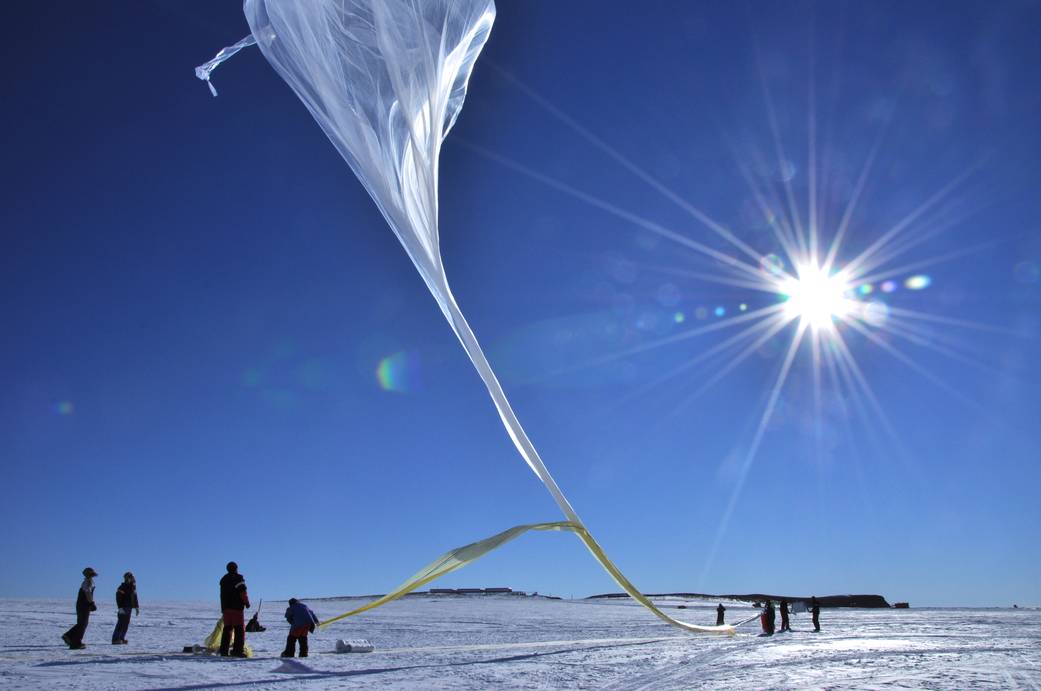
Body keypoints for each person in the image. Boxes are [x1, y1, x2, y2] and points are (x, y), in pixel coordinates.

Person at [218, 562, 251, 657]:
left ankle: (224, 651)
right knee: (239, 630)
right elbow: (242, 592)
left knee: (227, 629)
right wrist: (246, 602)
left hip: (226, 608)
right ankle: (237, 651)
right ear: (236, 568)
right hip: (236, 609)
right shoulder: (238, 579)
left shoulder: (223, 580)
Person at [62, 567, 98, 649]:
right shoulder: (88, 582)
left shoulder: (87, 581)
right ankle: (75, 642)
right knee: (83, 624)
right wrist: (91, 603)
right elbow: (88, 592)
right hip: (84, 605)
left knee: (81, 623)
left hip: (82, 604)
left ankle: (69, 636)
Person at [112, 572, 140, 644]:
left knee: (126, 624)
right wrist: (120, 607)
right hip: (123, 607)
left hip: (129, 607)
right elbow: (118, 597)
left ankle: (121, 638)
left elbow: (135, 597)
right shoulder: (122, 587)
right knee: (120, 623)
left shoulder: (132, 587)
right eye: (131, 577)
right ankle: (115, 639)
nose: (133, 578)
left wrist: (136, 607)